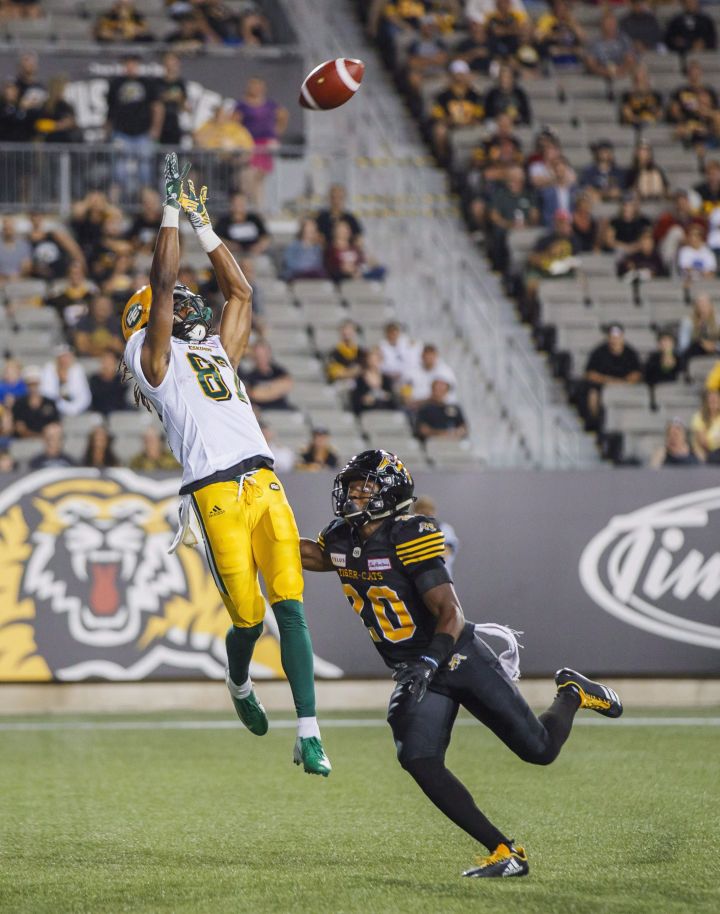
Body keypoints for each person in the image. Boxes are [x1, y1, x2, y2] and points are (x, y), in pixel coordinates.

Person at [299, 450, 623, 879]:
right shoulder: (340, 538)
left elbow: (452, 614)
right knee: (417, 755)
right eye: (352, 487)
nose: (354, 496)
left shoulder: (410, 533)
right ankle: (505, 851)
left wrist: (429, 662)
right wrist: (242, 532)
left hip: (453, 656)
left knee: (539, 750)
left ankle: (572, 691)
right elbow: (310, 556)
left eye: (365, 488)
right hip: (415, 667)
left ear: (390, 493)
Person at [120, 153, 330, 775]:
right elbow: (161, 283)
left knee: (288, 601)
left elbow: (240, 290)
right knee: (249, 616)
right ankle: (239, 682)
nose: (187, 301)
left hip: (262, 477)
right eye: (175, 299)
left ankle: (310, 731)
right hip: (211, 491)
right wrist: (167, 214)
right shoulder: (153, 363)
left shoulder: (212, 350)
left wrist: (204, 226)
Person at [106, 54, 162, 192]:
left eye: (133, 64)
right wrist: (108, 129)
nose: (130, 67)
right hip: (121, 132)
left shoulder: (147, 83)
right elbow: (110, 109)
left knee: (145, 171)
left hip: (143, 133)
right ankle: (115, 206)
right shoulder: (116, 83)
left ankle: (145, 202)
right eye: (128, 64)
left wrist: (155, 129)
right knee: (118, 171)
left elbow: (157, 107)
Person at [234, 77, 289, 206]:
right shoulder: (242, 105)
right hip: (249, 144)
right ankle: (252, 205)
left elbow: (283, 115)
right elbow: (234, 123)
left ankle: (258, 206)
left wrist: (276, 134)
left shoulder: (270, 104)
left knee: (259, 177)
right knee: (248, 176)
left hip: (265, 145)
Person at [584, 323, 643, 424]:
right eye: (612, 337)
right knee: (592, 392)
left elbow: (637, 374)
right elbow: (590, 374)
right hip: (602, 386)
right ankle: (595, 422)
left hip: (626, 387)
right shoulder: (598, 352)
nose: (614, 340)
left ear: (622, 337)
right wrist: (609, 381)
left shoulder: (630, 353)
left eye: (617, 337)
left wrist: (622, 383)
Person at [413, 493, 459, 576]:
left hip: (440, 580)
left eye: (428, 510)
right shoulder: (409, 531)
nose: (424, 514)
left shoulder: (445, 529)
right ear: (415, 512)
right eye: (421, 510)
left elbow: (446, 553)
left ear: (433, 512)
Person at [40, 347, 92, 418]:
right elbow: (47, 393)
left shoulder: (78, 370)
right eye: (62, 357)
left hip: (77, 411)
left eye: (67, 356)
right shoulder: (49, 370)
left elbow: (84, 396)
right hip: (54, 410)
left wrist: (73, 409)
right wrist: (61, 405)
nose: (65, 360)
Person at [584, 10, 635, 81]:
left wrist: (620, 71)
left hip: (621, 73)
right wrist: (605, 72)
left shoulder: (624, 40)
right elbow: (591, 63)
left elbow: (630, 59)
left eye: (613, 23)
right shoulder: (593, 42)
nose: (611, 26)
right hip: (599, 75)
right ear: (602, 25)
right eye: (608, 23)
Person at [243, 340, 293, 411]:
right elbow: (252, 393)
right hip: (260, 413)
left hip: (281, 410)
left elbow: (286, 385)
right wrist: (272, 388)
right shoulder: (248, 375)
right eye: (258, 355)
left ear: (269, 354)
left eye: (264, 354)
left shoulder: (279, 371)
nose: (261, 358)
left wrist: (262, 391)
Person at [402, 343, 457, 407]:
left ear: (436, 356)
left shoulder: (446, 373)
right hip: (417, 407)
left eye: (431, 355)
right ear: (422, 356)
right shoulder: (411, 372)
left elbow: (450, 395)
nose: (428, 358)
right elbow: (405, 395)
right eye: (426, 355)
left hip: (440, 407)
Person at [12, 365, 60, 438]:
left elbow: (56, 425)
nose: (33, 387)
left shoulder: (50, 402)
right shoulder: (19, 403)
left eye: (35, 384)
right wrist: (39, 436)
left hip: (47, 440)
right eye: (30, 384)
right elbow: (20, 428)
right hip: (25, 441)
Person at [350, 346, 399, 414]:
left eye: (378, 358)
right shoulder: (359, 379)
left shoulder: (386, 379)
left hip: (385, 412)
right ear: (367, 359)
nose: (375, 360)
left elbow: (393, 401)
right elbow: (355, 400)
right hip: (367, 412)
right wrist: (364, 399)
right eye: (372, 358)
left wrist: (387, 397)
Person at [157, 52, 188, 147]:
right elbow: (155, 100)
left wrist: (179, 99)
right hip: (159, 123)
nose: (171, 65)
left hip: (174, 122)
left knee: (173, 155)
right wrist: (169, 96)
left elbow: (183, 105)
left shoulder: (180, 83)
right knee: (158, 155)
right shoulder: (157, 82)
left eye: (174, 62)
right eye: (168, 61)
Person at [282, 217, 326, 281]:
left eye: (313, 227)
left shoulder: (317, 248)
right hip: (296, 276)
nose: (311, 229)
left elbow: (319, 265)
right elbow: (290, 264)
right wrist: (306, 269)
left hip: (313, 277)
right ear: (303, 229)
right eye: (309, 227)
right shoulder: (293, 246)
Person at [678, 293, 719, 361]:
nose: (703, 308)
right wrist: (701, 343)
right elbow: (683, 345)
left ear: (711, 306)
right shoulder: (688, 322)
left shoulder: (718, 320)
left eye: (705, 305)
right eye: (700, 306)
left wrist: (714, 346)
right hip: (695, 350)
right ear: (696, 307)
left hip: (715, 348)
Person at [89, 350, 129, 415]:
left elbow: (120, 400)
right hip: (98, 412)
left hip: (118, 413)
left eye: (110, 362)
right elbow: (96, 399)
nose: (107, 365)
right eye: (105, 361)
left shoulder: (121, 380)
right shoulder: (94, 379)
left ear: (115, 363)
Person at [691, 389, 720, 462]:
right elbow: (703, 442)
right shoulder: (699, 417)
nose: (713, 402)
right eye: (711, 400)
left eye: (716, 399)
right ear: (706, 402)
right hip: (707, 452)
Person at [0, 215, 31, 279]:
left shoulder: (23, 245)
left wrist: (18, 275)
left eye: (10, 228)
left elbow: (27, 265)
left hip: (19, 281)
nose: (8, 231)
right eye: (6, 229)